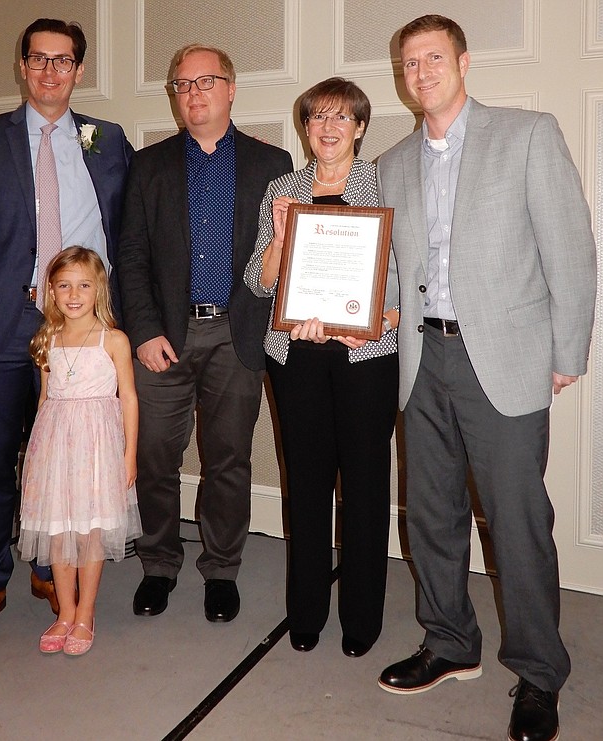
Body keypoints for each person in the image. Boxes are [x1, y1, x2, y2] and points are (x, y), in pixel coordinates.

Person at [375, 14, 596, 741]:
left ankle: (538, 671)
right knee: (430, 511)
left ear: (463, 62)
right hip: (422, 356)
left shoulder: (527, 136)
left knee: (518, 520)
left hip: (501, 357)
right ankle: (449, 642)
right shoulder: (396, 161)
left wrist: (569, 350)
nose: (421, 73)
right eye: (409, 64)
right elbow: (395, 273)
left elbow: (571, 248)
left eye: (433, 58)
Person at [0, 18, 133, 644]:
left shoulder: (108, 141)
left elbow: (129, 234)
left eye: (64, 60)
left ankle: (53, 569)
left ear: (79, 70)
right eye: (39, 59)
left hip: (79, 327)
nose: (51, 70)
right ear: (22, 66)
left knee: (68, 456)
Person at [117, 44, 292, 623]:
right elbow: (132, 256)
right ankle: (159, 564)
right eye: (182, 84)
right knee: (155, 455)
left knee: (227, 460)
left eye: (206, 81)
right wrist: (142, 330)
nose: (193, 93)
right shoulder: (149, 165)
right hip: (164, 335)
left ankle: (222, 570)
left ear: (231, 88)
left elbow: (287, 256)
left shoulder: (274, 165)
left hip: (238, 337)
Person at [244, 78, 399, 657]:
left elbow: (409, 267)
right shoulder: (283, 188)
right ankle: (305, 609)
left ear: (360, 126)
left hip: (365, 355)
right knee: (305, 485)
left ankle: (362, 618)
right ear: (305, 128)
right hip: (297, 355)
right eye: (316, 119)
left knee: (363, 485)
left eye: (340, 118)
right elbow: (259, 282)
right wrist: (282, 236)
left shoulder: (384, 184)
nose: (328, 128)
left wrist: (390, 313)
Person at [18, 247, 141, 655]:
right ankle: (65, 613)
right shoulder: (47, 340)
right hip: (55, 446)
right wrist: (37, 458)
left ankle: (86, 612)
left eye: (83, 285)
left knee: (90, 530)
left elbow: (128, 399)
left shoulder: (114, 340)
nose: (74, 294)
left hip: (97, 448)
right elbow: (45, 400)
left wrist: (129, 454)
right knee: (59, 530)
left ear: (98, 290)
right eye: (64, 285)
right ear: (51, 292)